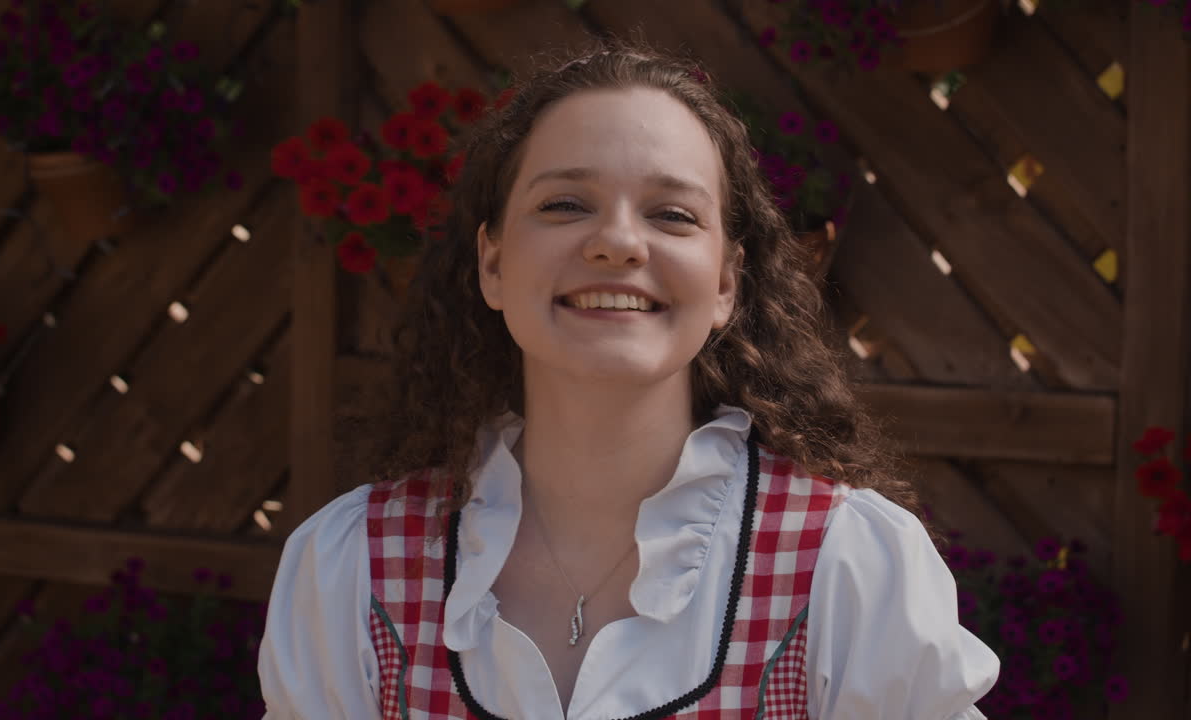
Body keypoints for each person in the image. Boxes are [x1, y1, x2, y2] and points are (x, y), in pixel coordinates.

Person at [258, 39, 999, 720]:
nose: (616, 242)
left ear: (726, 285)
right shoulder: (355, 568)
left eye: (672, 214)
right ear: (492, 263)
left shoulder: (846, 566)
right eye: (565, 205)